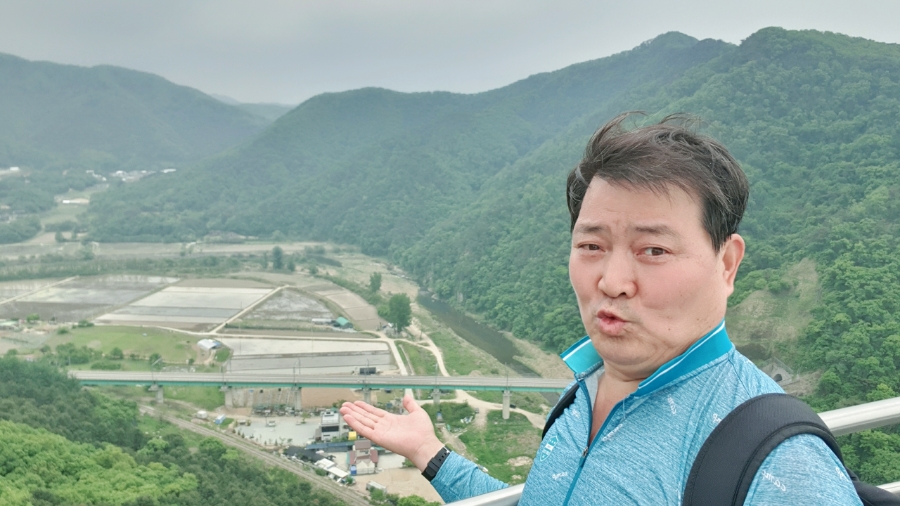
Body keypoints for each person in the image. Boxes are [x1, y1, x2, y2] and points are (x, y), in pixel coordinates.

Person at [340, 113, 862, 505]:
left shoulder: (778, 466)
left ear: (726, 264)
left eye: (653, 250)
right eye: (591, 245)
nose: (611, 281)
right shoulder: (584, 393)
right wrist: (429, 453)